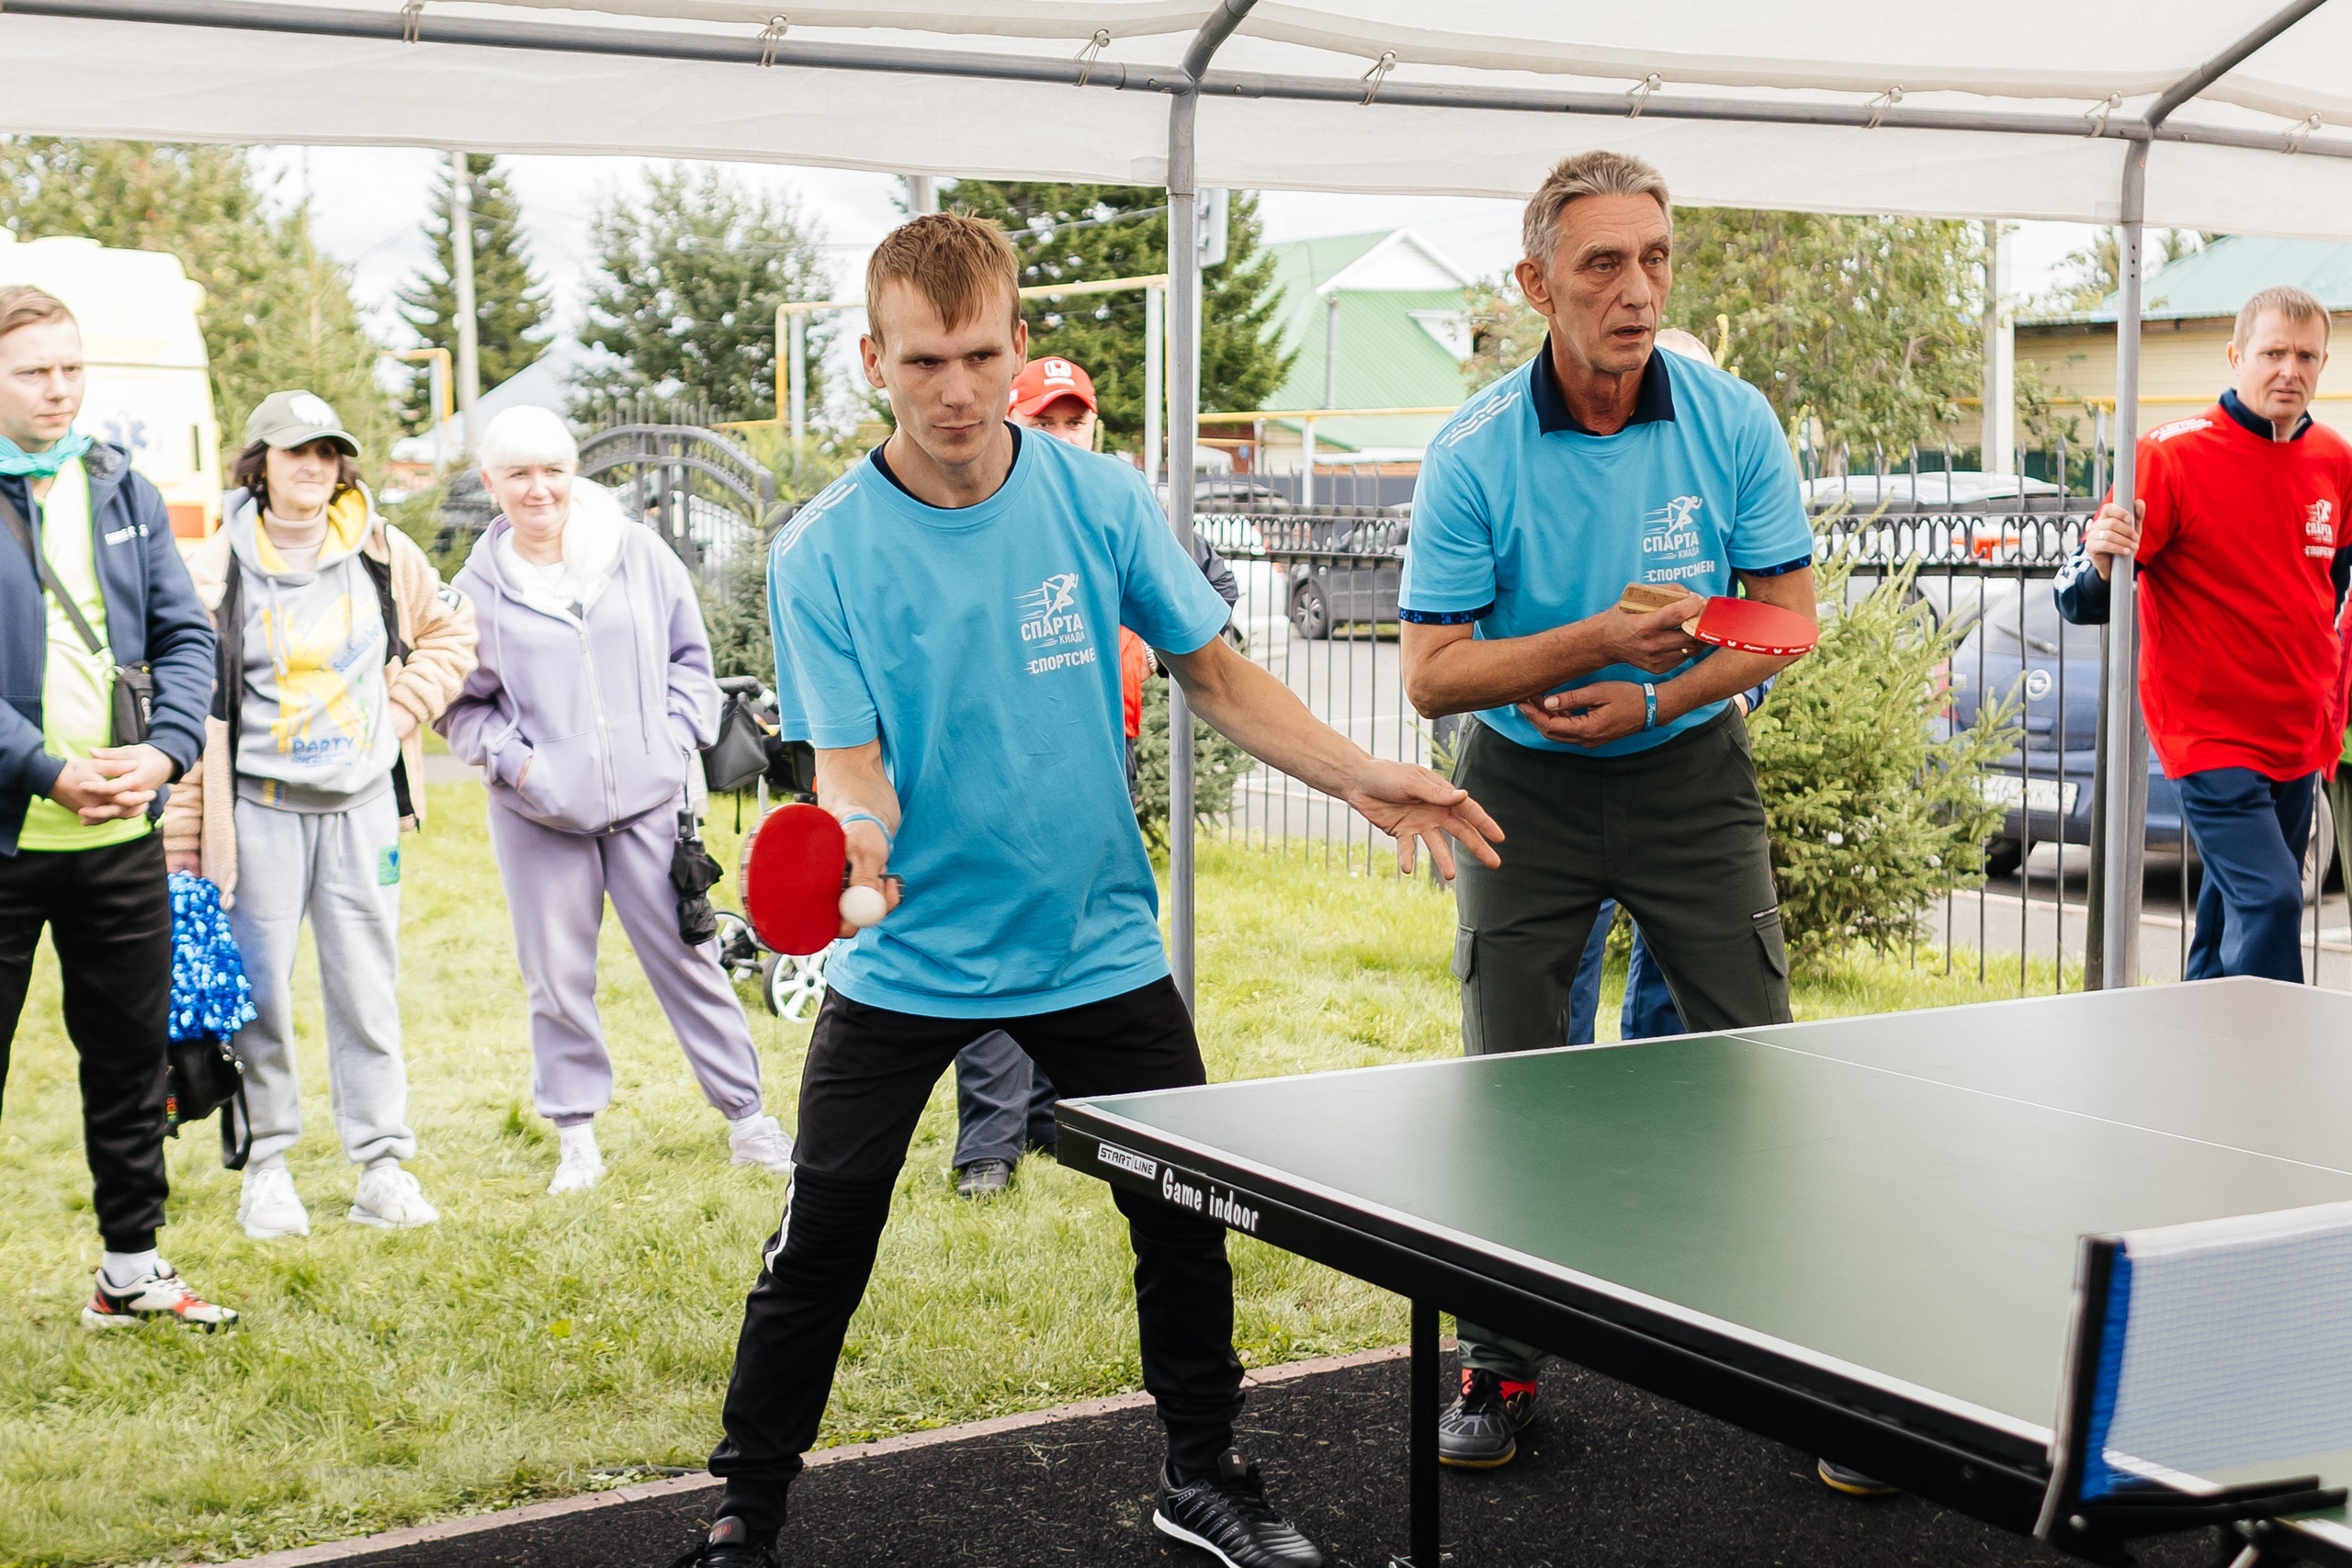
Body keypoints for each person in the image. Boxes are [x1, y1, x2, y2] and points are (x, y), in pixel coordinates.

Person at [679, 213, 1499, 1568]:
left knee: (1186, 1221)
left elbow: (1218, 671)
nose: (956, 388)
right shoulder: (823, 549)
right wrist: (861, 849)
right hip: (911, 961)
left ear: (1017, 342)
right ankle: (744, 1507)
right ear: (872, 356)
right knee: (823, 1234)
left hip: (1097, 943)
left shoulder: (1098, 499)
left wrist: (1360, 773)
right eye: (926, 359)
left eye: (982, 353)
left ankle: (1205, 1471)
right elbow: (853, 768)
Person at [1396, 152, 1839, 1483]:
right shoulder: (1475, 450)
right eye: (1600, 263)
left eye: (1653, 258)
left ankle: (1832, 1373)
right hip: (1521, 786)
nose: (1635, 289)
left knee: (1761, 1066)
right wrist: (1588, 641)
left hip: (1692, 774)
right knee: (1518, 1079)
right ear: (1537, 284)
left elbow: (1786, 618)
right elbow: (1429, 669)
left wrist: (1660, 697)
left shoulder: (1732, 419)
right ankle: (1501, 1359)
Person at [437, 407, 795, 1195]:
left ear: (575, 474)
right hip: (539, 817)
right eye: (518, 473)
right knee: (557, 973)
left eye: (553, 470)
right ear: (492, 483)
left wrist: (673, 739)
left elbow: (691, 662)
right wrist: (520, 766)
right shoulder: (474, 591)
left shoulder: (638, 554)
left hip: (649, 803)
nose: (539, 489)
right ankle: (576, 1137)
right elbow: (461, 707)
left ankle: (748, 1118)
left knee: (691, 957)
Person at [163, 390, 478, 1237]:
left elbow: (452, 636)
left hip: (362, 808)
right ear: (258, 463)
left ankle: (382, 1165)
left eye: (328, 452)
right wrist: (185, 840)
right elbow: (191, 708)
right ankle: (266, 1166)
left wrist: (405, 709)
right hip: (256, 811)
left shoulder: (383, 550)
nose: (313, 466)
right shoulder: (214, 567)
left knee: (367, 988)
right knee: (260, 993)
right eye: (295, 451)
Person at [939, 355, 1244, 1201]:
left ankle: (1049, 1117)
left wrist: (1152, 630)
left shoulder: (1121, 498)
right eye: (1047, 420)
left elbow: (1209, 591)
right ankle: (987, 1148)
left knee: (1079, 934)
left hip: (1110, 744)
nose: (1064, 433)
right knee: (1005, 939)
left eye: (1076, 420)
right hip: (1008, 757)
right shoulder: (991, 506)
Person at [0, 286, 234, 1327]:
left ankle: (130, 1270)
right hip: (13, 830)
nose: (60, 390)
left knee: (133, 1060)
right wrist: (42, 768)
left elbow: (189, 639)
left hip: (122, 837)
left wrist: (164, 752)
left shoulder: (114, 481)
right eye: (34, 372)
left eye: (71, 368)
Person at [2055, 285, 2351, 981]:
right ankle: (2278, 1071)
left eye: (2306, 356)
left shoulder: (2336, 462)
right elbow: (2081, 598)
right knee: (2276, 899)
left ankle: (2199, 1057)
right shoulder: (2168, 456)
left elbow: (2334, 578)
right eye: (2273, 352)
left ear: (2323, 364)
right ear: (2235, 355)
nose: (2290, 370)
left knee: (2228, 920)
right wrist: (2101, 556)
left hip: (2297, 731)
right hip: (2209, 735)